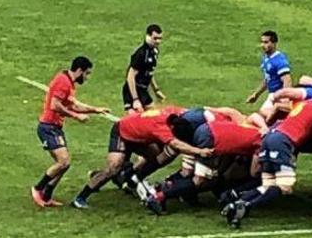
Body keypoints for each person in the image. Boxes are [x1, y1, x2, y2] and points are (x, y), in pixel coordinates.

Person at [222, 91, 312, 228]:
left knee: (268, 184)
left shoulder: (308, 102)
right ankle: (245, 205)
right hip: (282, 142)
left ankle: (234, 202)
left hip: (271, 137)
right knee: (285, 185)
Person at [71, 106, 214, 209]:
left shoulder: (176, 112)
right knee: (113, 168)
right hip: (122, 133)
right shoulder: (162, 127)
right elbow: (176, 144)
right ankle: (81, 197)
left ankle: (131, 177)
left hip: (138, 136)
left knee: (160, 156)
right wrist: (199, 151)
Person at [32, 56, 111, 207]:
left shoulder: (68, 82)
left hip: (55, 127)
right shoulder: (63, 82)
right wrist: (76, 117)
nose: (87, 78)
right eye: (86, 73)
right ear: (79, 70)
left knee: (64, 163)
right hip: (48, 127)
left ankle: (46, 196)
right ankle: (38, 188)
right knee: (63, 161)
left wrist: (95, 110)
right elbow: (55, 105)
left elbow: (74, 105)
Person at [245, 31, 293, 120]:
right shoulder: (266, 58)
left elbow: (287, 80)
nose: (263, 45)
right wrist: (256, 94)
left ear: (274, 43)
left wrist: (285, 98)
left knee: (261, 117)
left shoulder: (280, 60)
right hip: (272, 95)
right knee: (263, 118)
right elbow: (268, 79)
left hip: (277, 96)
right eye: (262, 42)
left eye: (266, 42)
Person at [123, 24, 165, 112]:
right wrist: (135, 99)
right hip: (133, 90)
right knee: (136, 120)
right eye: (155, 38)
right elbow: (130, 77)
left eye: (160, 38)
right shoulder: (141, 54)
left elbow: (150, 72)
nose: (158, 41)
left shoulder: (154, 51)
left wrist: (156, 90)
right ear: (148, 36)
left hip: (143, 90)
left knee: (152, 116)